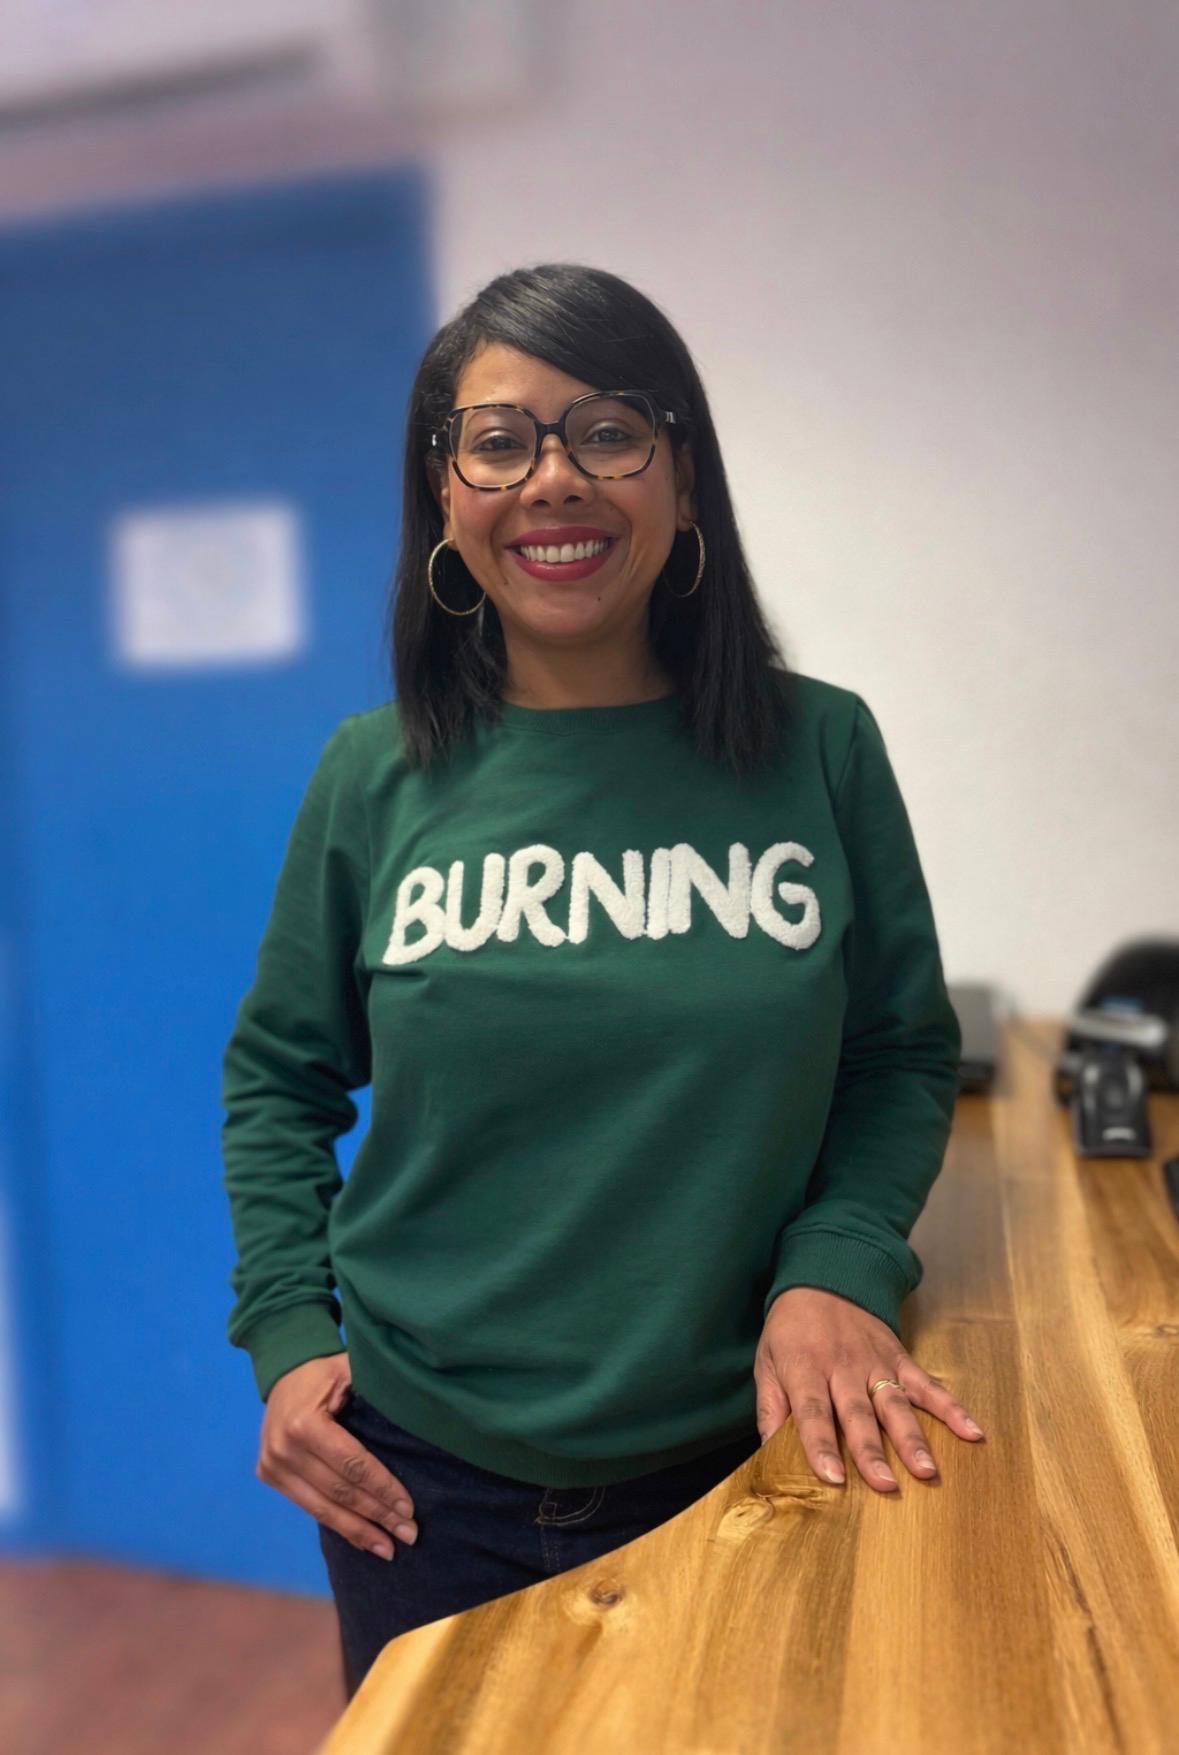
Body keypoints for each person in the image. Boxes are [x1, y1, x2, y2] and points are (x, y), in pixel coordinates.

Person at [220, 262, 983, 1702]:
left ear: (683, 479)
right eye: (499, 442)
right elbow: (278, 1075)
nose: (553, 479)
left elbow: (896, 1053)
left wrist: (841, 1262)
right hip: (418, 1484)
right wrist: (286, 1335)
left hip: (750, 1455)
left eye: (610, 432)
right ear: (444, 496)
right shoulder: (372, 774)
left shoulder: (820, 750)